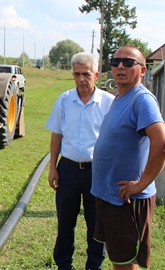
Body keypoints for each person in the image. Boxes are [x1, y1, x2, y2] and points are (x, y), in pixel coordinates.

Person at [91, 45, 165, 270]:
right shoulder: (120, 96)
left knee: (126, 262)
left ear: (143, 70)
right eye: (115, 62)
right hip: (110, 196)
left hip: (127, 200)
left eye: (128, 63)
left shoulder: (141, 99)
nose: (120, 67)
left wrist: (141, 184)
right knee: (118, 258)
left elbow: (163, 143)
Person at [45, 52, 114, 270]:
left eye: (86, 74)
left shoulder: (109, 103)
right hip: (69, 170)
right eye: (76, 74)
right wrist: (53, 168)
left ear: (96, 74)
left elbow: (115, 140)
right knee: (66, 223)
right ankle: (64, 265)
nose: (81, 79)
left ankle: (94, 266)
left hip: (97, 172)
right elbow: (56, 135)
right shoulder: (64, 100)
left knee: (97, 224)